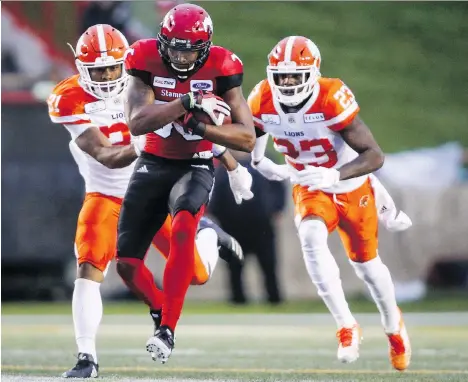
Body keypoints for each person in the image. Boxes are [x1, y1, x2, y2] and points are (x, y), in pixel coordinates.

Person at [47, 24, 252, 378]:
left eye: (113, 67)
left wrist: (232, 167)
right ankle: (86, 357)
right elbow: (105, 155)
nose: (108, 76)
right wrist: (139, 144)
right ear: (81, 67)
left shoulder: (148, 80)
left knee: (198, 276)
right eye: (98, 69)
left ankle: (207, 235)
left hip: (155, 186)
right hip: (106, 192)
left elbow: (190, 131)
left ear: (125, 63)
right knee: (89, 267)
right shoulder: (68, 98)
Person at [247, 36, 411, 371]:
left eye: (296, 75)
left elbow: (374, 155)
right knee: (310, 237)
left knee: (367, 266)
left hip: (351, 187)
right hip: (309, 186)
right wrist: (260, 158)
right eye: (282, 76)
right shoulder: (262, 97)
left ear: (313, 73)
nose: (288, 82)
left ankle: (394, 326)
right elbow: (259, 127)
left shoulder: (330, 97)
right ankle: (346, 325)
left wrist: (334, 175)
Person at [117, 3, 255, 364]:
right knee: (126, 266)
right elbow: (136, 122)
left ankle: (167, 329)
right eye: (174, 47)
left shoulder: (223, 67)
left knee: (181, 230)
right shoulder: (144, 58)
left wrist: (204, 129)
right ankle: (165, 301)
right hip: (153, 161)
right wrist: (185, 102)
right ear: (162, 42)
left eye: (189, 49)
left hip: (195, 163)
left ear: (205, 47)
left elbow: (246, 137)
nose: (180, 56)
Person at [209, 152, 286, 305]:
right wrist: (220, 219)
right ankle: (238, 299)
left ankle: (274, 299)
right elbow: (215, 197)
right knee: (234, 267)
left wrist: (277, 209)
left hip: (262, 225)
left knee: (268, 265)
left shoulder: (264, 163)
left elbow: (279, 188)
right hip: (232, 227)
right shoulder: (223, 168)